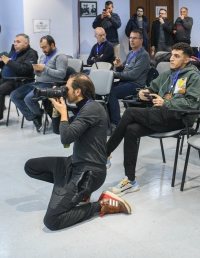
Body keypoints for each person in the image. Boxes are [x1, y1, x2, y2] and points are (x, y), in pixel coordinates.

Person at [24, 73, 131, 231]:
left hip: (89, 172)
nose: (64, 91)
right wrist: (56, 111)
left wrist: (64, 112)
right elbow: (59, 130)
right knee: (31, 166)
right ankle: (73, 192)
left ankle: (100, 205)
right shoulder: (83, 108)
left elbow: (66, 138)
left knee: (52, 221)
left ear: (78, 91)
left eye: (67, 88)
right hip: (74, 163)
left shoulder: (93, 108)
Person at [105, 43, 200, 194]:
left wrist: (166, 102)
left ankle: (105, 152)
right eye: (172, 55)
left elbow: (191, 104)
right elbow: (151, 88)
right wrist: (143, 92)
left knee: (130, 113)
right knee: (131, 130)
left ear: (186, 60)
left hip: (180, 118)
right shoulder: (168, 74)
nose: (171, 59)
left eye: (177, 56)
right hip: (162, 116)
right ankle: (130, 180)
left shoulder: (193, 77)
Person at [0, 34, 38, 128]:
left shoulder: (31, 53)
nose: (15, 44)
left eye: (18, 42)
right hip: (5, 78)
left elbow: (25, 70)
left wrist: (8, 61)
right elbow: (6, 66)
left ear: (26, 44)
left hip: (18, 80)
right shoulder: (14, 51)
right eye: (14, 41)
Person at [10, 35, 68, 132]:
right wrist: (37, 70)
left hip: (49, 84)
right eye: (41, 47)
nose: (42, 50)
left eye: (44, 47)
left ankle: (37, 115)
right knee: (14, 95)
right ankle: (36, 116)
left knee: (28, 99)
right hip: (37, 82)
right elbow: (39, 71)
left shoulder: (60, 56)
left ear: (52, 45)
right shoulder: (43, 55)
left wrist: (44, 69)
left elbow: (61, 74)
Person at [108, 30, 151, 130]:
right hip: (126, 82)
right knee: (106, 90)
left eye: (134, 38)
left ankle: (116, 123)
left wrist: (115, 74)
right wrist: (119, 67)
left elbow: (133, 75)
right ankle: (108, 120)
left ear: (141, 40)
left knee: (112, 93)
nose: (131, 40)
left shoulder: (144, 55)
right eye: (130, 38)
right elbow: (125, 71)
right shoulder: (131, 53)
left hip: (136, 84)